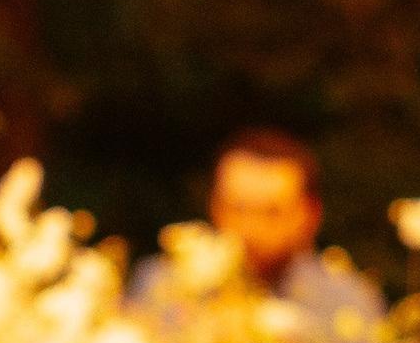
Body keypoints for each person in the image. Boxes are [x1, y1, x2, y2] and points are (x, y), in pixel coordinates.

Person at [131, 131, 383, 326]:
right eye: (238, 209)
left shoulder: (348, 302)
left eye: (271, 212)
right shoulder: (162, 285)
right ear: (214, 207)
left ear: (310, 215)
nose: (250, 229)